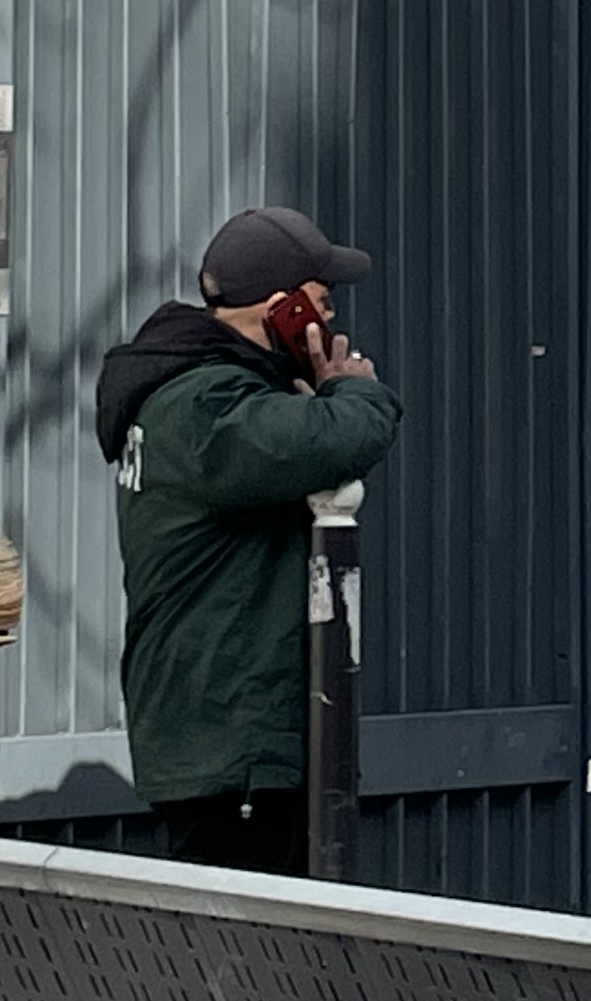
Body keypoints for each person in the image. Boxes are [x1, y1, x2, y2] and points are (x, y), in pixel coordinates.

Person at [91, 203, 401, 871]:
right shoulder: (209, 404)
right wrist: (351, 390)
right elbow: (338, 439)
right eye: (322, 301)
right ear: (283, 309)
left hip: (219, 734)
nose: (332, 318)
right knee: (253, 930)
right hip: (236, 738)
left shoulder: (190, 388)